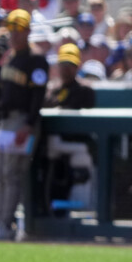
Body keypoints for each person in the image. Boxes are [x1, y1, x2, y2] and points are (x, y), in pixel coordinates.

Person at [0, 9, 47, 241]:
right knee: (0, 173)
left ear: (28, 31)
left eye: (18, 29)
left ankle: (4, 225)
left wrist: (29, 124)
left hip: (22, 120)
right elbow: (3, 95)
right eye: (11, 29)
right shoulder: (11, 58)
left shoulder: (36, 59)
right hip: (5, 121)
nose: (14, 34)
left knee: (11, 173)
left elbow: (38, 95)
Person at [44, 43, 96, 210]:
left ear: (77, 66)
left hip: (77, 144)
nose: (66, 69)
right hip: (52, 148)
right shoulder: (53, 89)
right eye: (63, 65)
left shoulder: (85, 89)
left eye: (70, 65)